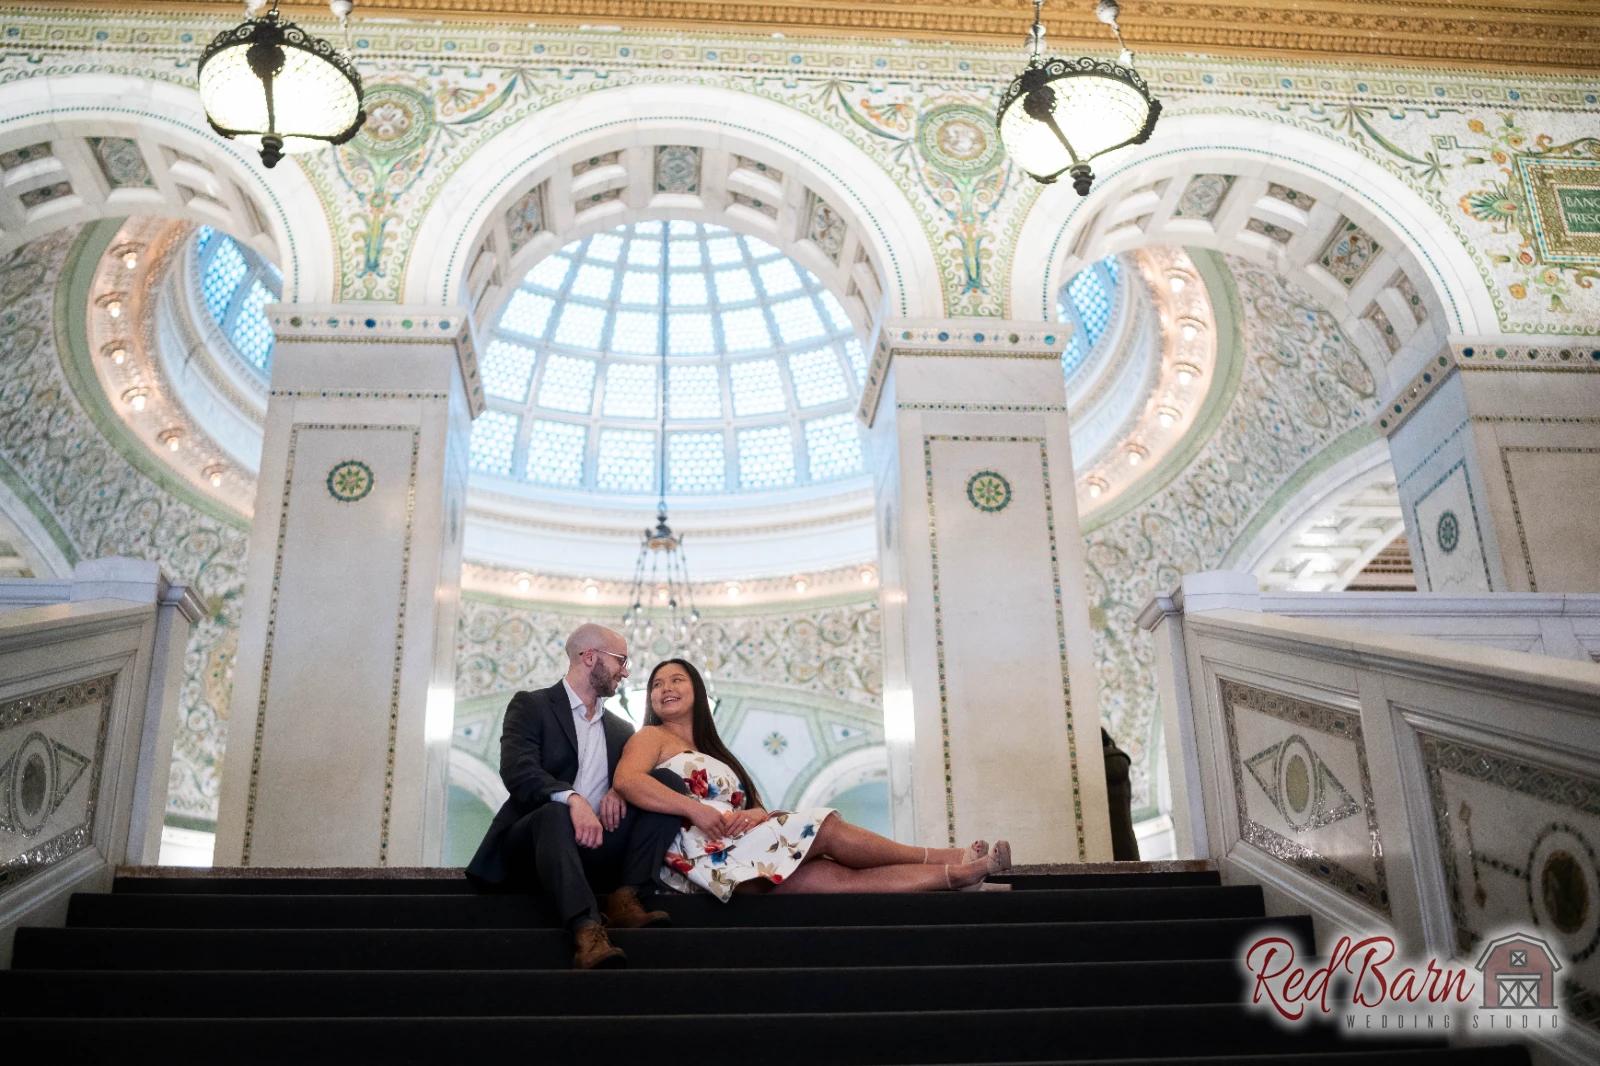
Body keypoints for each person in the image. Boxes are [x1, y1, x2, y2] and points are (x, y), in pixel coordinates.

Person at [613, 658, 1010, 902]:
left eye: (676, 679)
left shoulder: (716, 752)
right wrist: (694, 810)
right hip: (699, 852)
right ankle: (948, 856)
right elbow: (628, 781)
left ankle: (958, 877)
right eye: (656, 684)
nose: (665, 688)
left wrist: (756, 814)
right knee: (827, 827)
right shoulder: (651, 737)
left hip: (741, 843)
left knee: (837, 881)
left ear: (697, 690)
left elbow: (747, 806)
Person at [466, 624, 687, 968]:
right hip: (536, 847)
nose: (625, 671)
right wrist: (572, 799)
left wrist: (619, 789)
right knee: (555, 815)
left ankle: (627, 897)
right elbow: (518, 772)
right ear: (589, 658)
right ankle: (587, 931)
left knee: (667, 784)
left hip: (598, 847)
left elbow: (632, 782)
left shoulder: (621, 729)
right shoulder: (531, 706)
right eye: (621, 660)